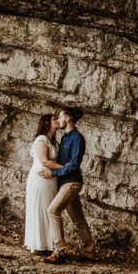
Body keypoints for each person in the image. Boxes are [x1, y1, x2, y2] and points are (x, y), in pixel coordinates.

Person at [40, 107, 95, 264]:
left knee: (53, 210)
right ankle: (88, 251)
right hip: (65, 182)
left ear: (68, 119)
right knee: (77, 218)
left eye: (61, 116)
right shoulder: (64, 138)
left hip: (72, 182)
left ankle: (60, 251)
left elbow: (74, 165)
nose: (58, 119)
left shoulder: (77, 138)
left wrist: (54, 173)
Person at [23, 114, 62, 255]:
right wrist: (65, 168)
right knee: (42, 209)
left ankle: (48, 244)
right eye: (54, 119)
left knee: (49, 209)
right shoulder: (42, 139)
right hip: (40, 179)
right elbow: (45, 161)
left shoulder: (53, 142)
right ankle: (40, 244)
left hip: (51, 179)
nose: (58, 121)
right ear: (47, 123)